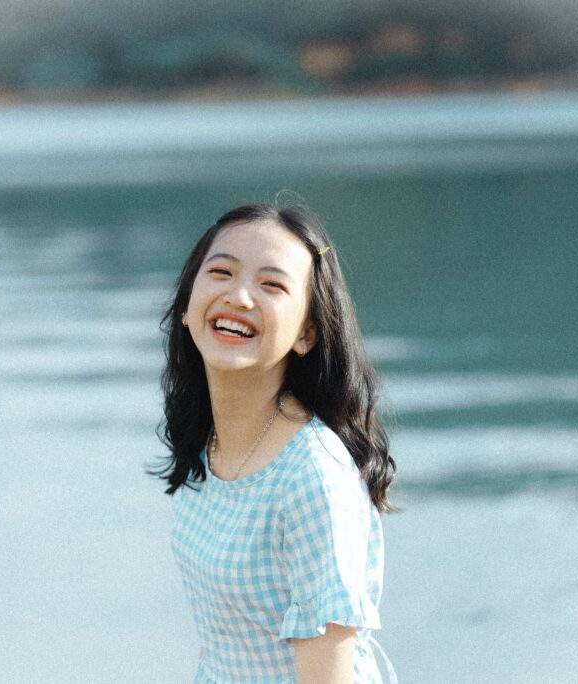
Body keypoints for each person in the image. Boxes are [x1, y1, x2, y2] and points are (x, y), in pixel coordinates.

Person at [154, 202, 398, 683]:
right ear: (187, 305)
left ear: (307, 332)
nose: (239, 297)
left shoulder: (312, 475)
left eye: (272, 285)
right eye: (221, 272)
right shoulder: (211, 441)